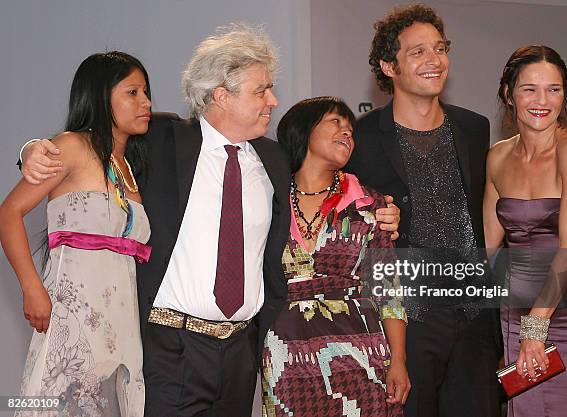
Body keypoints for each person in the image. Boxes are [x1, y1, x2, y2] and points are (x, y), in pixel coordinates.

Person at [18, 25, 401, 417]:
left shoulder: (274, 160)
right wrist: (31, 150)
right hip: (172, 349)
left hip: (241, 352)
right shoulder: (161, 140)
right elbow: (93, 138)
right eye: (261, 90)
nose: (273, 100)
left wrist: (383, 209)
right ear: (221, 94)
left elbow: (328, 184)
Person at [345, 5, 501, 417]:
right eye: (418, 52)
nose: (435, 60)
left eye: (440, 48)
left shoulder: (474, 128)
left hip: (473, 314)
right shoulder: (360, 139)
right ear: (387, 65)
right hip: (405, 323)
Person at [0, 51, 152, 416]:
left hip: (121, 323)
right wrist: (32, 288)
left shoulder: (129, 166)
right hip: (70, 314)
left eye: (146, 92)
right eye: (132, 92)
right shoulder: (72, 146)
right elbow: (9, 212)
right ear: (101, 96)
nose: (146, 102)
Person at [483, 45, 567, 417]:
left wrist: (535, 328)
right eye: (529, 89)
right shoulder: (497, 156)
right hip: (515, 312)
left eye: (554, 89)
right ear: (509, 94)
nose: (542, 100)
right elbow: (490, 246)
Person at [261, 97, 409, 417]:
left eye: (350, 128)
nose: (347, 132)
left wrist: (398, 360)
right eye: (335, 122)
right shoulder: (267, 199)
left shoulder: (370, 205)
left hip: (360, 354)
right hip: (286, 355)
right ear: (304, 131)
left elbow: (389, 291)